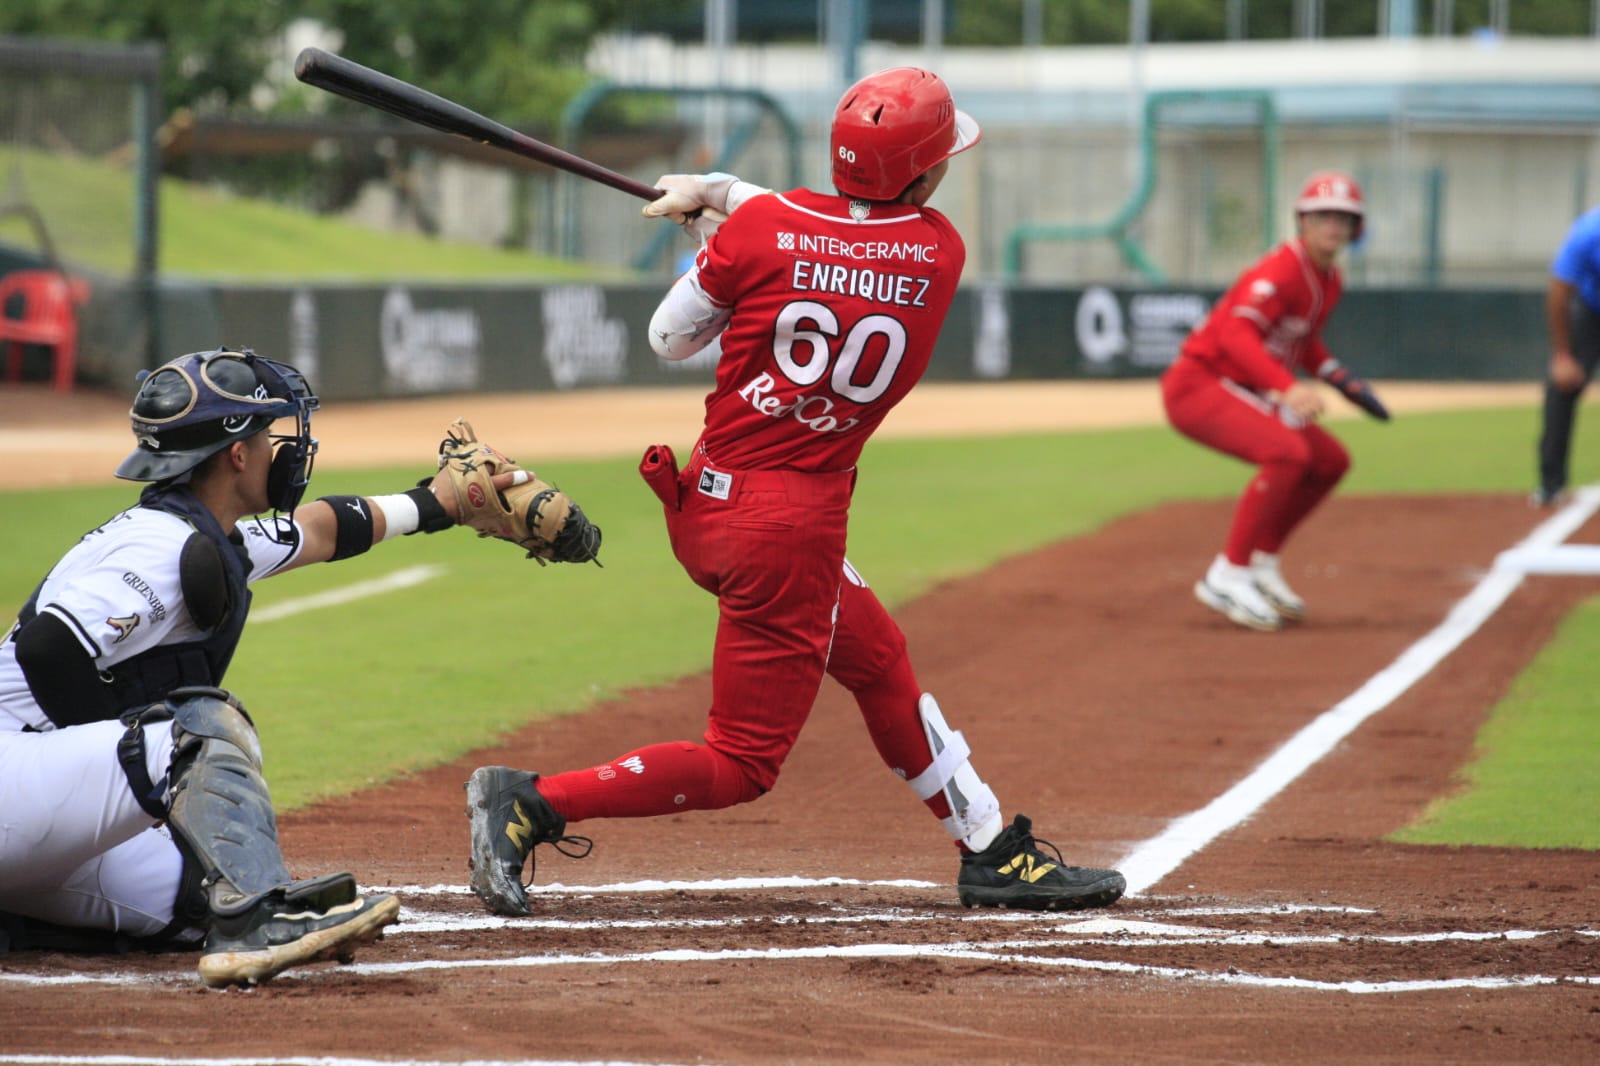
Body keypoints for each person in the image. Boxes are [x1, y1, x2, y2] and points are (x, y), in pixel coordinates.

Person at [464, 67, 1126, 917]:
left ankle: (988, 847)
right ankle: (532, 802)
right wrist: (718, 197)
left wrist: (719, 223)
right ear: (922, 176)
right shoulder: (939, 251)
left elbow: (671, 336)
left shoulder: (766, 230)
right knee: (741, 762)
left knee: (879, 661)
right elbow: (834, 237)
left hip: (713, 502)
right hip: (785, 537)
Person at [0, 347, 513, 986]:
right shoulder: (158, 547)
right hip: (15, 781)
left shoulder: (206, 534)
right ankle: (263, 920)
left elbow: (321, 530)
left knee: (200, 898)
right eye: (269, 436)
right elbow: (47, 647)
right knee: (199, 726)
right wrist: (130, 759)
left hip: (38, 817)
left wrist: (439, 503)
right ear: (237, 454)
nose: (282, 451)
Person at [1161, 170, 1365, 631]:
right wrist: (1287, 387)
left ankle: (1260, 561)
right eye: (1323, 215)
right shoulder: (1283, 269)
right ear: (1302, 220)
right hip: (1200, 383)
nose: (1333, 225)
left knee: (1329, 462)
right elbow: (1236, 334)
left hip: (1238, 386)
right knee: (1287, 454)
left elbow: (1301, 341)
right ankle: (1227, 574)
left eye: (1343, 217)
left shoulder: (1329, 278)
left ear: (1356, 227)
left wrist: (1336, 375)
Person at [1533, 204, 1600, 507]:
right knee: (1561, 387)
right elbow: (1559, 292)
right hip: (1592, 309)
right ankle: (1551, 485)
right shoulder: (1589, 232)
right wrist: (1562, 356)